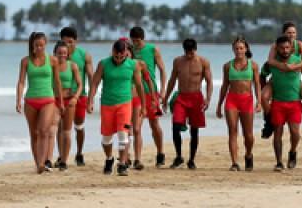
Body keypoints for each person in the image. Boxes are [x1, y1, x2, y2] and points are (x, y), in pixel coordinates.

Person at [88, 40, 145, 176]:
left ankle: (122, 164)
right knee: (106, 139)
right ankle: (109, 159)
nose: (119, 59)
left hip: (125, 104)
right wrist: (90, 101)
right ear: (112, 52)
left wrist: (143, 105)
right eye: (116, 56)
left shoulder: (133, 65)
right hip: (107, 105)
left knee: (123, 135)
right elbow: (94, 83)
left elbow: (139, 86)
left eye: (122, 57)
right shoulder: (103, 64)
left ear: (126, 53)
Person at [15, 32, 64, 174]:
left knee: (44, 131)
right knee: (34, 133)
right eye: (36, 45)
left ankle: (42, 162)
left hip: (48, 100)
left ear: (46, 44)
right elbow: (21, 82)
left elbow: (57, 82)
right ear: (32, 45)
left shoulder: (53, 60)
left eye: (41, 45)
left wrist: (60, 101)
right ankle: (38, 164)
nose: (39, 48)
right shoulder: (25, 61)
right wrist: (18, 100)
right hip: (30, 101)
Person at [162, 38, 213, 169]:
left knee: (194, 130)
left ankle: (191, 159)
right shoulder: (178, 61)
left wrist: (208, 99)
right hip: (181, 97)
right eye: (187, 52)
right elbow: (172, 80)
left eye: (191, 52)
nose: (189, 55)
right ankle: (179, 156)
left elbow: (209, 81)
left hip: (196, 98)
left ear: (195, 49)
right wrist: (166, 98)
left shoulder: (203, 62)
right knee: (175, 126)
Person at [216, 37, 262, 171]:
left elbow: (257, 84)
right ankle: (234, 162)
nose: (239, 51)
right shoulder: (227, 66)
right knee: (232, 131)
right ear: (233, 49)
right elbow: (224, 86)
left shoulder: (253, 65)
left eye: (241, 48)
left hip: (247, 100)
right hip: (232, 100)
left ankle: (248, 154)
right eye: (236, 48)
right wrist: (219, 104)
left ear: (246, 49)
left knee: (248, 135)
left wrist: (259, 101)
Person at [261, 22, 302, 138]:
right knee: (263, 97)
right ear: (283, 34)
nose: (291, 35)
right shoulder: (276, 45)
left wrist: (292, 67)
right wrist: (283, 67)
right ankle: (269, 119)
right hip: (277, 76)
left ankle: (294, 115)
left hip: (295, 76)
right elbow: (270, 61)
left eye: (293, 32)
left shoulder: (299, 45)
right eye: (289, 32)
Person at [262, 36, 302, 172]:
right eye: (282, 48)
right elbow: (261, 75)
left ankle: (292, 152)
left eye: (287, 47)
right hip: (278, 103)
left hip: (294, 103)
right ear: (277, 49)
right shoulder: (271, 64)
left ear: (291, 48)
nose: (285, 50)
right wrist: (267, 88)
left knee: (295, 133)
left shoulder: (298, 61)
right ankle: (279, 162)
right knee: (278, 134)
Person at [129, 27, 167, 168]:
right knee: (135, 127)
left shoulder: (152, 49)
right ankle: (137, 159)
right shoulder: (130, 50)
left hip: (151, 93)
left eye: (138, 40)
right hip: (134, 94)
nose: (136, 43)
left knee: (154, 124)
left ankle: (160, 152)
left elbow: (162, 70)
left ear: (142, 38)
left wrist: (162, 90)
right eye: (133, 41)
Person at [60, 27, 94, 167]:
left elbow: (91, 77)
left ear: (76, 41)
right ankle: (62, 157)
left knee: (79, 126)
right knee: (61, 128)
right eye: (64, 42)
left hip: (80, 96)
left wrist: (91, 99)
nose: (67, 45)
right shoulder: (59, 54)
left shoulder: (84, 55)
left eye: (70, 42)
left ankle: (79, 153)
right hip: (62, 96)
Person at [53, 40, 82, 171]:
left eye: (64, 53)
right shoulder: (51, 65)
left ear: (68, 54)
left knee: (66, 131)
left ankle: (64, 161)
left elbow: (80, 84)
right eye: (59, 53)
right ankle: (60, 156)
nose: (62, 55)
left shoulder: (73, 66)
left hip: (69, 100)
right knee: (56, 130)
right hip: (54, 100)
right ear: (55, 53)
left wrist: (75, 97)